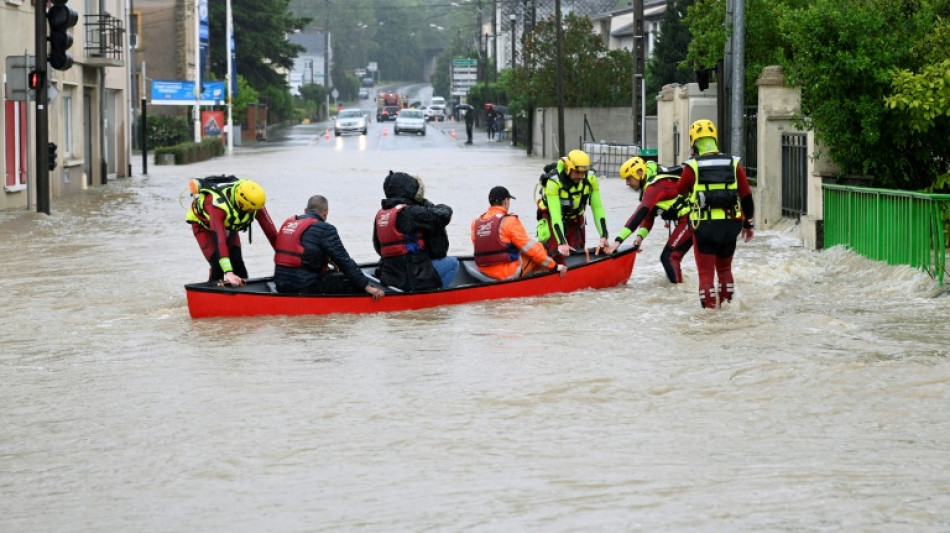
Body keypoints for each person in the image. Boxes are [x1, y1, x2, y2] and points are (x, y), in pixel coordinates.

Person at [676, 119, 755, 309]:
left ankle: (709, 317)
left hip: (705, 226)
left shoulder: (692, 166)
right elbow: (746, 196)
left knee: (705, 274)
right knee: (725, 269)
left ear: (693, 142)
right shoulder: (733, 163)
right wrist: (748, 224)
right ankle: (728, 308)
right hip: (731, 225)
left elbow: (680, 191)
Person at [273, 195, 384, 300]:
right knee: (347, 279)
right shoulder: (325, 229)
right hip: (303, 287)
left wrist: (328, 260)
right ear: (325, 213)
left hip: (280, 284)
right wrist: (366, 286)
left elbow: (303, 253)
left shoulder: (289, 224)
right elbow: (344, 260)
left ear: (305, 210)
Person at [606, 156, 693, 283]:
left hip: (692, 219)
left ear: (640, 173)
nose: (627, 183)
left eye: (629, 178)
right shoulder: (651, 186)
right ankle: (679, 290)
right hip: (690, 220)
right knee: (670, 257)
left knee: (669, 257)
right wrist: (640, 237)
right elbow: (649, 217)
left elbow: (640, 213)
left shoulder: (655, 186)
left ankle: (681, 292)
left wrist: (618, 241)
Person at [373, 171, 459, 291]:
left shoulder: (381, 215)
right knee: (453, 263)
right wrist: (428, 204)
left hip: (390, 276)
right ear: (409, 189)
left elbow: (378, 248)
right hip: (412, 278)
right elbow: (443, 215)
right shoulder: (410, 212)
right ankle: (433, 297)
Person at [186, 175, 278, 286]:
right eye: (250, 210)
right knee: (218, 265)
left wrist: (283, 258)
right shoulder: (216, 205)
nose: (253, 212)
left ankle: (245, 297)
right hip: (204, 226)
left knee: (238, 263)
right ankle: (211, 298)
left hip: (228, 225)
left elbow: (272, 233)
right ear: (241, 203)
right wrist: (228, 272)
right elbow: (219, 239)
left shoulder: (255, 203)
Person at [471, 186, 568, 280]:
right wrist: (554, 266)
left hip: (483, 271)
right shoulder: (509, 221)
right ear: (506, 201)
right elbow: (531, 249)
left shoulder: (475, 223)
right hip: (506, 273)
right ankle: (545, 279)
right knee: (541, 247)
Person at [535, 149, 609, 260]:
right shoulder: (553, 182)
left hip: (575, 220)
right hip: (553, 221)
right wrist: (561, 242)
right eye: (577, 172)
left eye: (583, 173)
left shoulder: (591, 179)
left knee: (577, 255)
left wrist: (603, 235)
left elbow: (597, 209)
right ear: (568, 168)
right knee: (554, 256)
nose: (580, 176)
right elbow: (555, 215)